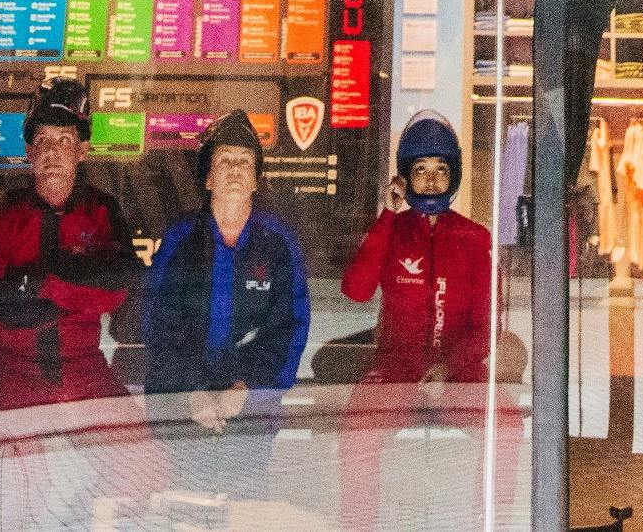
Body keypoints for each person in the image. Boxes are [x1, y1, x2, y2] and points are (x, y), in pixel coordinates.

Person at [338, 114, 498, 525]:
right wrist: (387, 217)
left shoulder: (475, 238)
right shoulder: (391, 229)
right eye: (420, 171)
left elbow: (487, 327)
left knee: (506, 429)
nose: (430, 182)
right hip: (397, 369)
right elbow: (356, 290)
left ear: (454, 175)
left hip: (460, 372)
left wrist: (450, 366)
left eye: (440, 170)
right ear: (404, 178)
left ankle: (495, 522)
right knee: (357, 430)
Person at [121, 111, 307, 423]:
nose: (235, 169)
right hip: (180, 405)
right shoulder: (180, 238)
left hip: (248, 410)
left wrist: (246, 388)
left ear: (256, 180)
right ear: (208, 178)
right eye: (224, 160)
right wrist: (191, 392)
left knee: (244, 473)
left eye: (245, 161)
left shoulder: (278, 243)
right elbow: (158, 324)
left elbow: (290, 328)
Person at [0, 82, 141, 411]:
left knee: (144, 458)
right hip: (12, 368)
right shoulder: (0, 212)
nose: (52, 153)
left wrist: (40, 284)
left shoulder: (103, 210)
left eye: (64, 140)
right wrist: (77, 289)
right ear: (29, 152)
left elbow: (117, 289)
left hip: (84, 365)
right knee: (13, 460)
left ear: (82, 150)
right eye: (42, 140)